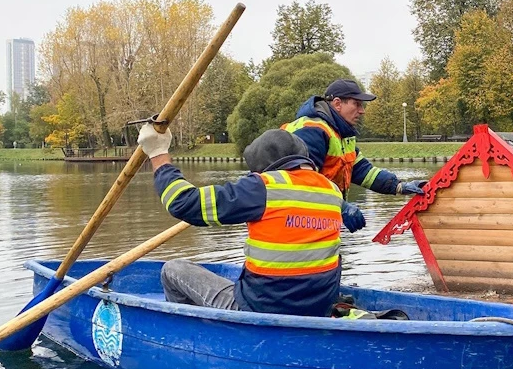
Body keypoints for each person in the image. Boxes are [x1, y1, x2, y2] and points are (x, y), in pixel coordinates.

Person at [137, 124, 367, 316]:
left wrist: (158, 154)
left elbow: (182, 202)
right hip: (318, 308)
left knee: (172, 269)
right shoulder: (332, 191)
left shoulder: (262, 187)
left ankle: (195, 335)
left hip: (260, 310)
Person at [282, 79, 428, 197]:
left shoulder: (342, 135)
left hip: (316, 215)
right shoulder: (313, 131)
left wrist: (398, 186)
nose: (362, 111)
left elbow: (363, 172)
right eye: (357, 104)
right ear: (338, 104)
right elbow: (304, 182)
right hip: (294, 219)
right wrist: (342, 207)